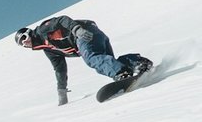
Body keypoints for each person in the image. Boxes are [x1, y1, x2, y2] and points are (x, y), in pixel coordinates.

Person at [14, 17, 153, 105]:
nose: (24, 43)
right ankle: (138, 62)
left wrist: (76, 29)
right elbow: (59, 69)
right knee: (103, 63)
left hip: (84, 33)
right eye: (21, 43)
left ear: (29, 32)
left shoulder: (42, 30)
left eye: (24, 38)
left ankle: (123, 73)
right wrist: (61, 90)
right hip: (94, 36)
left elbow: (62, 20)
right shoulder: (49, 50)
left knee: (92, 59)